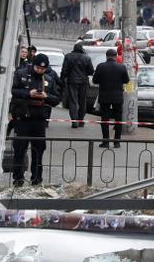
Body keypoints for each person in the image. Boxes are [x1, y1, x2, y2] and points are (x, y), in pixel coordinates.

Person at [9, 54, 60, 186]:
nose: (40, 70)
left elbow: (56, 99)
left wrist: (46, 96)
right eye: (37, 67)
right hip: (23, 118)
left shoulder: (49, 78)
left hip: (39, 120)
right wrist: (28, 94)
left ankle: (36, 179)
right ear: (33, 65)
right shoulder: (21, 74)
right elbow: (13, 91)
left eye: (43, 69)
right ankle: (18, 179)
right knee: (20, 150)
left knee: (38, 151)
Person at [92, 48, 129, 148]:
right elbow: (126, 80)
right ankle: (117, 142)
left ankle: (106, 141)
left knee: (104, 119)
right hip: (117, 97)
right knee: (118, 119)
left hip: (104, 96)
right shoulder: (122, 67)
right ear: (116, 56)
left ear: (106, 56)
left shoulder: (101, 66)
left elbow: (95, 81)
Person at [61, 43, 95, 129]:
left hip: (72, 81)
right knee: (82, 101)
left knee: (73, 101)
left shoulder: (68, 56)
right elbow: (91, 71)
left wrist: (62, 79)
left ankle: (74, 120)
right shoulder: (86, 57)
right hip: (83, 82)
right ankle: (81, 120)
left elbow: (64, 70)